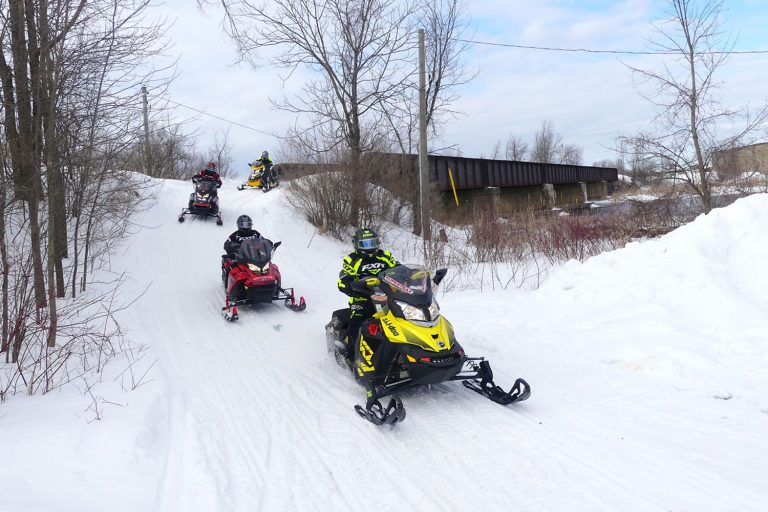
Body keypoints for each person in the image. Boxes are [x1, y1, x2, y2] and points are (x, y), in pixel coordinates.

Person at [337, 227, 397, 360]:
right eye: (365, 244)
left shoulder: (385, 256)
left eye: (373, 243)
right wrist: (352, 286)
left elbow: (399, 269)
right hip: (362, 298)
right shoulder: (351, 260)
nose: (370, 247)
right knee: (358, 322)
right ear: (357, 244)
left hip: (389, 296)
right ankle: (351, 355)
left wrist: (412, 276)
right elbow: (343, 280)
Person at [222, 215, 262, 284]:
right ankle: (228, 285)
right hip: (239, 258)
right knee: (231, 267)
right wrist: (233, 247)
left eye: (247, 224)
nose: (245, 226)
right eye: (243, 224)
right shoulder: (235, 235)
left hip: (255, 257)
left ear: (251, 224)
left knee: (268, 266)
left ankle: (271, 283)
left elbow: (263, 240)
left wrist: (268, 244)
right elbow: (226, 244)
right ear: (238, 225)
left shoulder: (255, 233)